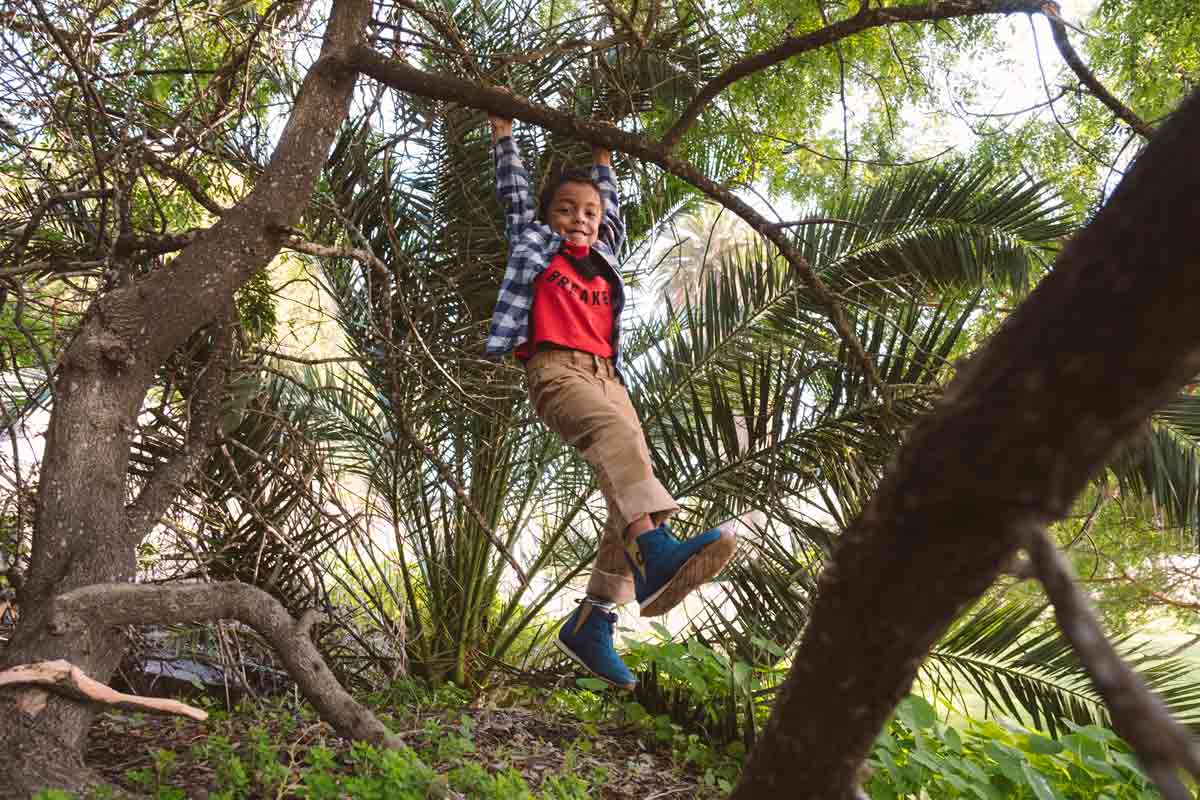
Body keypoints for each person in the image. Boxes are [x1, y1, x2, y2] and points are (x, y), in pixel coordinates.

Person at [485, 115, 736, 689]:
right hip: (556, 371)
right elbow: (514, 189)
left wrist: (605, 157)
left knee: (630, 487)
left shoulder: (605, 255)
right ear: (548, 216)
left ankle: (593, 620)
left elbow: (613, 207)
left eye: (589, 213)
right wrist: (504, 132)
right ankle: (657, 552)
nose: (580, 219)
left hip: (608, 378)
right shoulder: (533, 241)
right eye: (567, 209)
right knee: (622, 448)